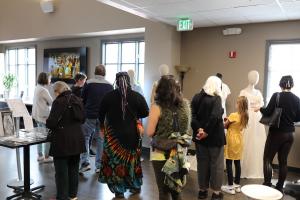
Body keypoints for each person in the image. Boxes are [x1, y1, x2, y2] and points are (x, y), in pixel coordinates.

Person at [98, 72, 149, 198]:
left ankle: (119, 191)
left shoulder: (108, 96)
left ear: (116, 81)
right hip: (133, 135)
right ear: (129, 81)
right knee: (133, 161)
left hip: (113, 137)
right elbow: (145, 112)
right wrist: (135, 115)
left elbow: (100, 114)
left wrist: (102, 127)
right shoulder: (137, 96)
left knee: (116, 163)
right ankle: (135, 186)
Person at [147, 75, 191, 200]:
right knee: (176, 189)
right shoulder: (185, 105)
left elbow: (150, 132)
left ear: (160, 89)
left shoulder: (157, 107)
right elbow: (186, 129)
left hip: (160, 152)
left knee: (163, 190)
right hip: (179, 152)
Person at [256, 75, 300, 194]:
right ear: (292, 85)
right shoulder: (297, 99)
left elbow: (267, 111)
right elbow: (298, 117)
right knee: (283, 161)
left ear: (281, 84)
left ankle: (267, 184)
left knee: (267, 159)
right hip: (290, 133)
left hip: (277, 133)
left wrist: (260, 108)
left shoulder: (277, 96)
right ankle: (280, 187)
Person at [46, 81, 86, 200]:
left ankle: (62, 197)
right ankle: (73, 195)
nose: (55, 94)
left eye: (55, 92)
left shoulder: (58, 102)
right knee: (74, 169)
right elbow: (83, 119)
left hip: (62, 141)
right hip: (77, 140)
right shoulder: (78, 100)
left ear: (58, 91)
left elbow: (52, 122)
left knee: (61, 172)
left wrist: (48, 122)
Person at [191, 76, 225, 200]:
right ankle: (216, 193)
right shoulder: (216, 98)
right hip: (214, 138)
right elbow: (215, 117)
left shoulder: (196, 97)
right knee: (216, 165)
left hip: (200, 138)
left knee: (202, 164)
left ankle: (202, 191)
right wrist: (206, 132)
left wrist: (199, 129)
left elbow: (192, 116)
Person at [80, 65, 113, 174]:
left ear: (95, 72)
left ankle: (85, 163)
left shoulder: (88, 83)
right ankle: (99, 166)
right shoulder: (109, 85)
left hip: (89, 115)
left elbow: (82, 99)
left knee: (85, 137)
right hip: (103, 117)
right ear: (104, 73)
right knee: (101, 140)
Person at [239, 70, 266, 178]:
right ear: (249, 77)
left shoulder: (258, 93)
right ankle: (243, 168)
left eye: (257, 76)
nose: (256, 78)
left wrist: (258, 106)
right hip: (247, 118)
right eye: (254, 76)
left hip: (258, 120)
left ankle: (254, 168)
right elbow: (240, 106)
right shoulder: (243, 92)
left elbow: (262, 104)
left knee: (256, 143)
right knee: (245, 142)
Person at [221, 96, 249, 195]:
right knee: (237, 162)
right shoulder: (245, 116)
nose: (235, 104)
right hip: (239, 140)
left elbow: (225, 125)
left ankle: (230, 186)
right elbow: (239, 127)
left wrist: (225, 121)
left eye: (237, 103)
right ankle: (237, 184)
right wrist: (228, 120)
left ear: (239, 105)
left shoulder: (233, 115)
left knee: (229, 161)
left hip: (231, 139)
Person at [32, 72, 53, 163]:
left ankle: (40, 155)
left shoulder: (37, 87)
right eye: (49, 79)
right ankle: (47, 156)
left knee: (39, 136)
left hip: (37, 115)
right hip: (43, 116)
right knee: (47, 137)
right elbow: (51, 102)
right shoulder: (44, 90)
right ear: (45, 79)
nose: (50, 80)